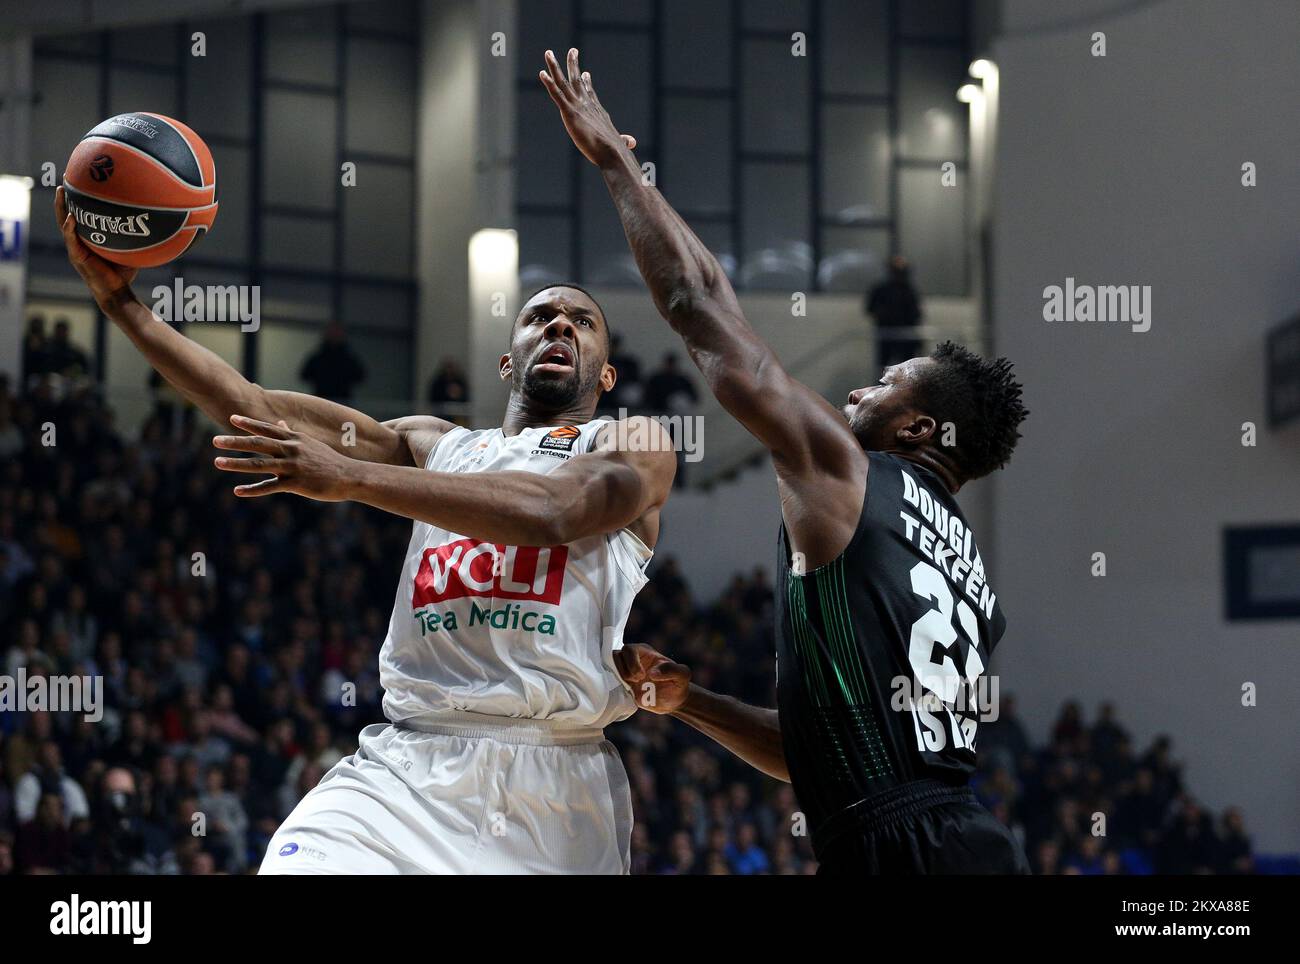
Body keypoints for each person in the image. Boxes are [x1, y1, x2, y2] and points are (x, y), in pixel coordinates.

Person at [56, 184, 676, 875]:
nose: (560, 326)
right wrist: (124, 308)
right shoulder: (434, 445)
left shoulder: (633, 443)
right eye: (541, 317)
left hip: (553, 781)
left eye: (581, 323)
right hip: (409, 763)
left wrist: (351, 479)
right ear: (508, 361)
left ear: (608, 372)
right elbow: (257, 408)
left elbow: (554, 513)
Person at [542, 48, 1030, 874]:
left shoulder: (849, 476)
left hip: (897, 852)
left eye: (884, 384)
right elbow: (829, 761)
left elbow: (703, 310)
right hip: (963, 841)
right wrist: (694, 702)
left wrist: (618, 163)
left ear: (917, 429)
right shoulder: (976, 588)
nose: (857, 393)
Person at [866, 255, 923, 369]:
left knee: (907, 370)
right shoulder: (881, 290)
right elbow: (871, 309)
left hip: (906, 338)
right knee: (884, 371)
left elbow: (916, 313)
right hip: (887, 335)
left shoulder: (909, 290)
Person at [298, 322, 366, 402]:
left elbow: (360, 376)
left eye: (337, 333)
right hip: (321, 398)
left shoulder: (349, 358)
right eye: (332, 333)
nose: (334, 336)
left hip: (342, 400)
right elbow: (304, 375)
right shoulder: (317, 357)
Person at [425, 356, 469, 422]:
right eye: (448, 367)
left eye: (451, 367)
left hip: (456, 415)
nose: (449, 370)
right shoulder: (438, 382)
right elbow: (433, 397)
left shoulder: (459, 381)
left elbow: (465, 397)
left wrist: (457, 395)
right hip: (440, 414)